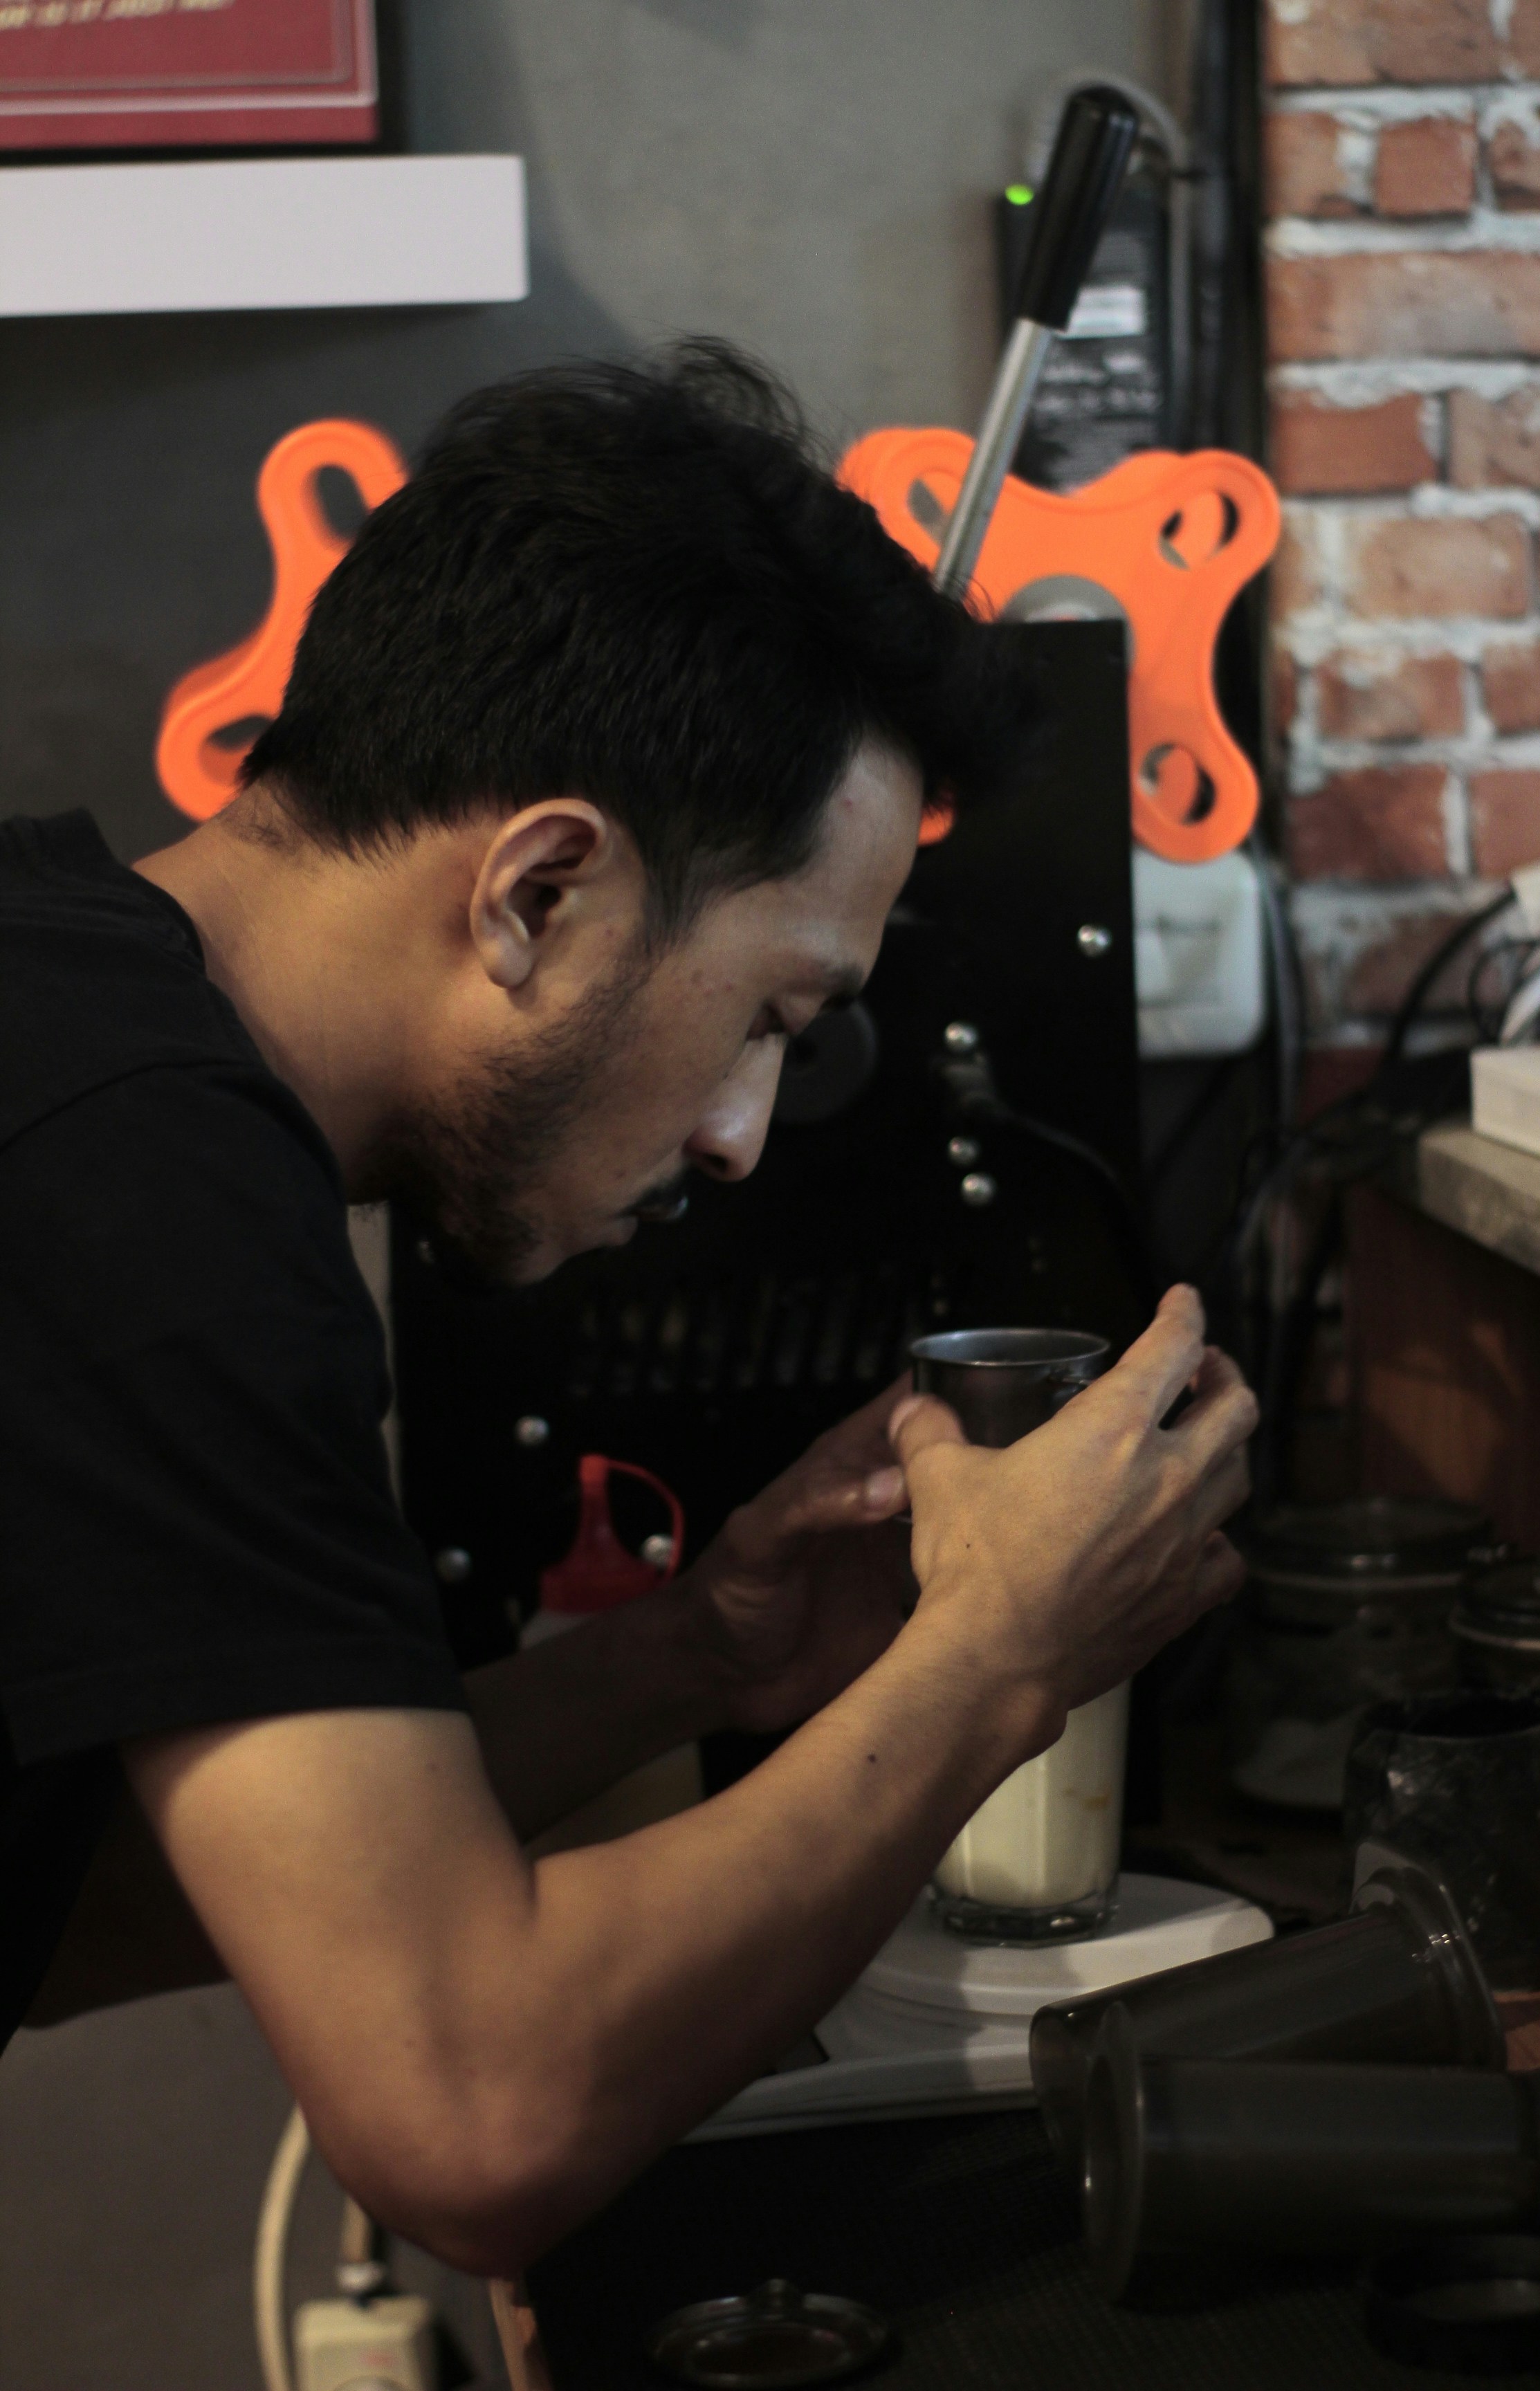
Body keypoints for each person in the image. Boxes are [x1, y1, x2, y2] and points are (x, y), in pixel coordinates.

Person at [0, 345, 1255, 2275]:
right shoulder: (143, 1177)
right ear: (540, 894)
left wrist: (697, 1658)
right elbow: (473, 2118)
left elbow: (76, 1907)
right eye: (771, 1017)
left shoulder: (72, 1017)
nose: (745, 1137)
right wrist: (998, 1658)